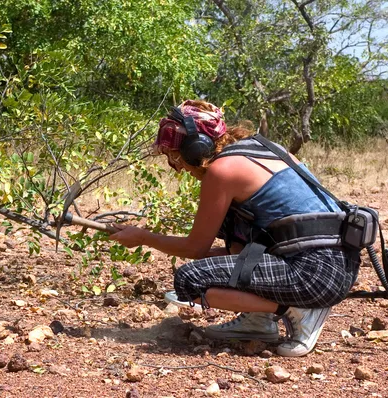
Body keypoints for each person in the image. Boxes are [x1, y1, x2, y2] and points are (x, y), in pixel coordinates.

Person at [109, 100, 361, 357]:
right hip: (337, 266)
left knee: (189, 282)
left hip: (315, 274)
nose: (178, 167)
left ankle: (299, 310)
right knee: (231, 233)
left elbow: (195, 248)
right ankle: (258, 320)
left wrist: (143, 237)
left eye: (176, 156)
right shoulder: (263, 148)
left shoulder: (222, 170)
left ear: (196, 148)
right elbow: (241, 251)